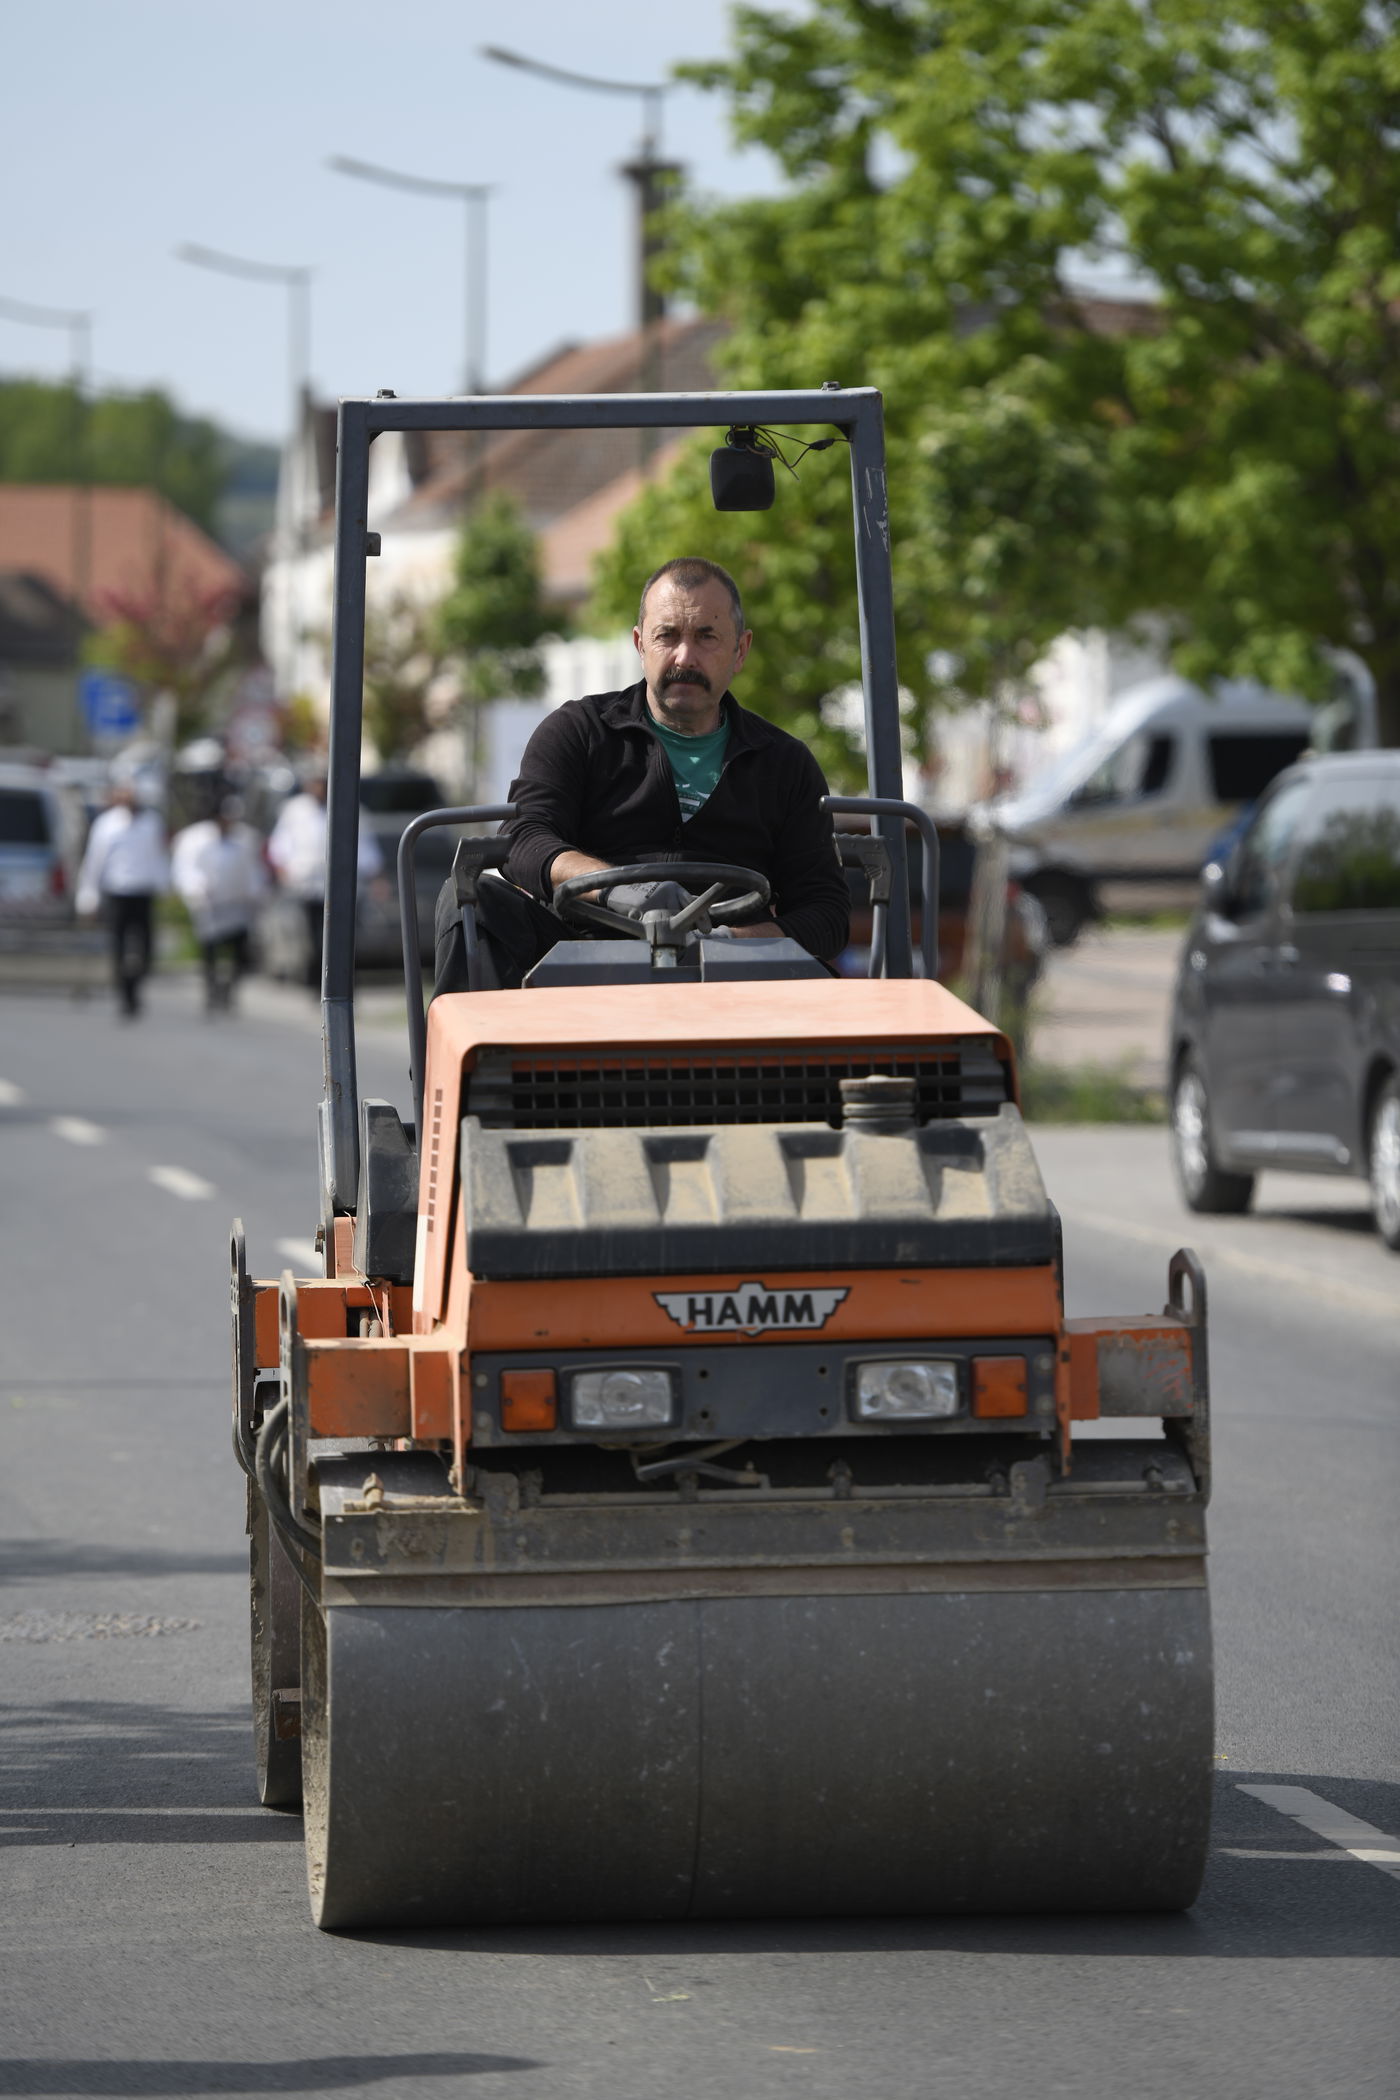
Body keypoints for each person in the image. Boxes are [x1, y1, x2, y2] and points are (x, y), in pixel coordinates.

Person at [436, 557, 850, 989]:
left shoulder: (784, 762)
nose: (684, 657)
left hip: (734, 980)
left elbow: (825, 910)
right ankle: (475, 1056)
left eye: (706, 637)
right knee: (471, 899)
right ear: (640, 644)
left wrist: (730, 943)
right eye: (667, 635)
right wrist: (617, 890)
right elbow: (524, 838)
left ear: (740, 650)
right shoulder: (580, 731)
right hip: (582, 959)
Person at [267, 765, 383, 991]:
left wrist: (376, 876)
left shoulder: (350, 807)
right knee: (316, 937)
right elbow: (281, 844)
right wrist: (284, 869)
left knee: (344, 938)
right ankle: (318, 985)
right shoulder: (295, 811)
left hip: (345, 886)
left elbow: (366, 847)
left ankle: (346, 984)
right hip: (310, 885)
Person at [76, 782, 170, 1018]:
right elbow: (95, 861)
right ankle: (125, 994)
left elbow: (159, 856)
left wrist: (165, 886)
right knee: (119, 945)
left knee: (145, 948)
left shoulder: (151, 822)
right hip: (117, 891)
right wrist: (89, 894)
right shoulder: (107, 824)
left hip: (143, 891)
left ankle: (135, 984)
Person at [171, 795, 269, 1014]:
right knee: (210, 952)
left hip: (237, 906)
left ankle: (230, 990)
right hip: (210, 905)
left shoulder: (246, 838)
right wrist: (196, 890)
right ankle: (211, 991)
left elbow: (254, 870)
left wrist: (256, 893)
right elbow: (185, 869)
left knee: (239, 953)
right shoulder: (195, 839)